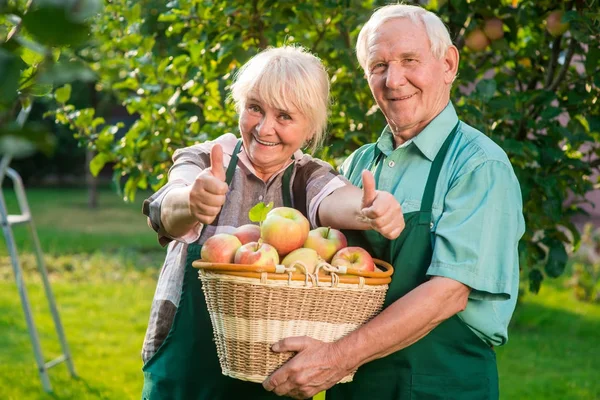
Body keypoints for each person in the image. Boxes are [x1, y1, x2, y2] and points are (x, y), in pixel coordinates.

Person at [263, 5, 526, 400]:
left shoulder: (478, 165)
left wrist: (336, 358)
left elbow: (449, 294)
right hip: (356, 386)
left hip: (440, 383)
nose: (394, 79)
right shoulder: (357, 165)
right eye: (378, 65)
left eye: (409, 60)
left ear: (448, 64)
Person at [139, 45, 404, 400]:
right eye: (255, 108)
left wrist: (369, 209)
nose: (265, 128)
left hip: (273, 380)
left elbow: (337, 199)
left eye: (284, 116)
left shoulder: (306, 177)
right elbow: (164, 210)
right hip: (184, 376)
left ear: (309, 129)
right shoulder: (207, 158)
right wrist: (192, 202)